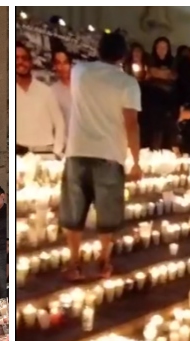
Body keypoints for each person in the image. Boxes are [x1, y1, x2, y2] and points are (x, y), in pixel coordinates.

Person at [60, 32, 142, 281]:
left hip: (77, 151)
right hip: (109, 155)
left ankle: (74, 263)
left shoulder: (79, 71)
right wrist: (136, 162)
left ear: (99, 50)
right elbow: (131, 124)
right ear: (123, 56)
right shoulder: (127, 83)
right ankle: (104, 261)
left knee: (73, 212)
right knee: (108, 213)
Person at [15, 42, 65, 156]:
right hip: (18, 153)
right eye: (16, 58)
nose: (20, 62)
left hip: (45, 152)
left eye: (24, 58)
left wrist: (57, 150)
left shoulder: (46, 91)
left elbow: (59, 123)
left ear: (30, 62)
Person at [142, 37, 178, 151]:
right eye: (159, 47)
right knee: (154, 127)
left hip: (169, 100)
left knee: (167, 126)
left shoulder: (173, 62)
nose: (162, 50)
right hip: (152, 99)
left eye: (164, 47)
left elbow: (173, 76)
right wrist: (161, 73)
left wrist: (157, 73)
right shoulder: (150, 60)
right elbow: (151, 72)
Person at [50, 49, 74, 129]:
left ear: (70, 64)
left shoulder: (82, 86)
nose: (62, 67)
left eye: (65, 63)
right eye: (58, 63)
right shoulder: (52, 92)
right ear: (55, 66)